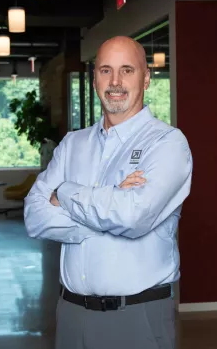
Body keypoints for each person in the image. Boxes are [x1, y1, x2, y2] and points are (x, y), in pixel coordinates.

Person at [24, 36, 193, 349]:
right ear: (94, 80)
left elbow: (131, 218)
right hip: (71, 314)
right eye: (105, 70)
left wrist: (64, 193)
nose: (115, 81)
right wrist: (111, 202)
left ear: (146, 79)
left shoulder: (168, 144)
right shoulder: (72, 145)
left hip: (136, 315)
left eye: (127, 70)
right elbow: (34, 217)